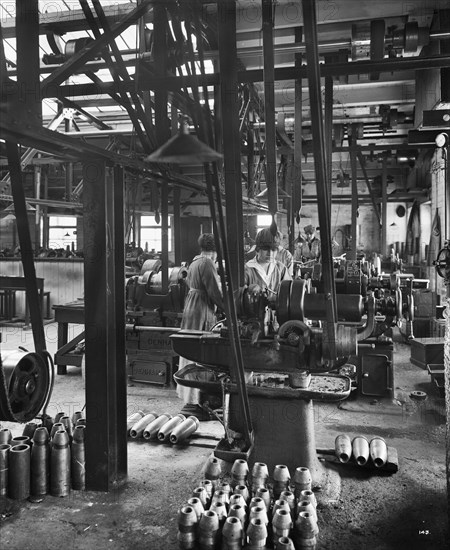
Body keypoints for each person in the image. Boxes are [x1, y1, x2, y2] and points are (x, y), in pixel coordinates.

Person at [177, 233, 224, 417]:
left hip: (192, 306)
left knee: (191, 350)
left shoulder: (195, 262)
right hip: (202, 309)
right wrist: (230, 310)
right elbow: (215, 292)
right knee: (203, 354)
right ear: (216, 251)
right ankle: (199, 400)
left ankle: (191, 398)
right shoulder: (207, 263)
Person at [244, 228, 292, 303]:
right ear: (257, 248)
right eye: (266, 249)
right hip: (253, 314)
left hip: (279, 313)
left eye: (274, 249)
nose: (270, 253)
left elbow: (290, 293)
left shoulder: (281, 269)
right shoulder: (247, 270)